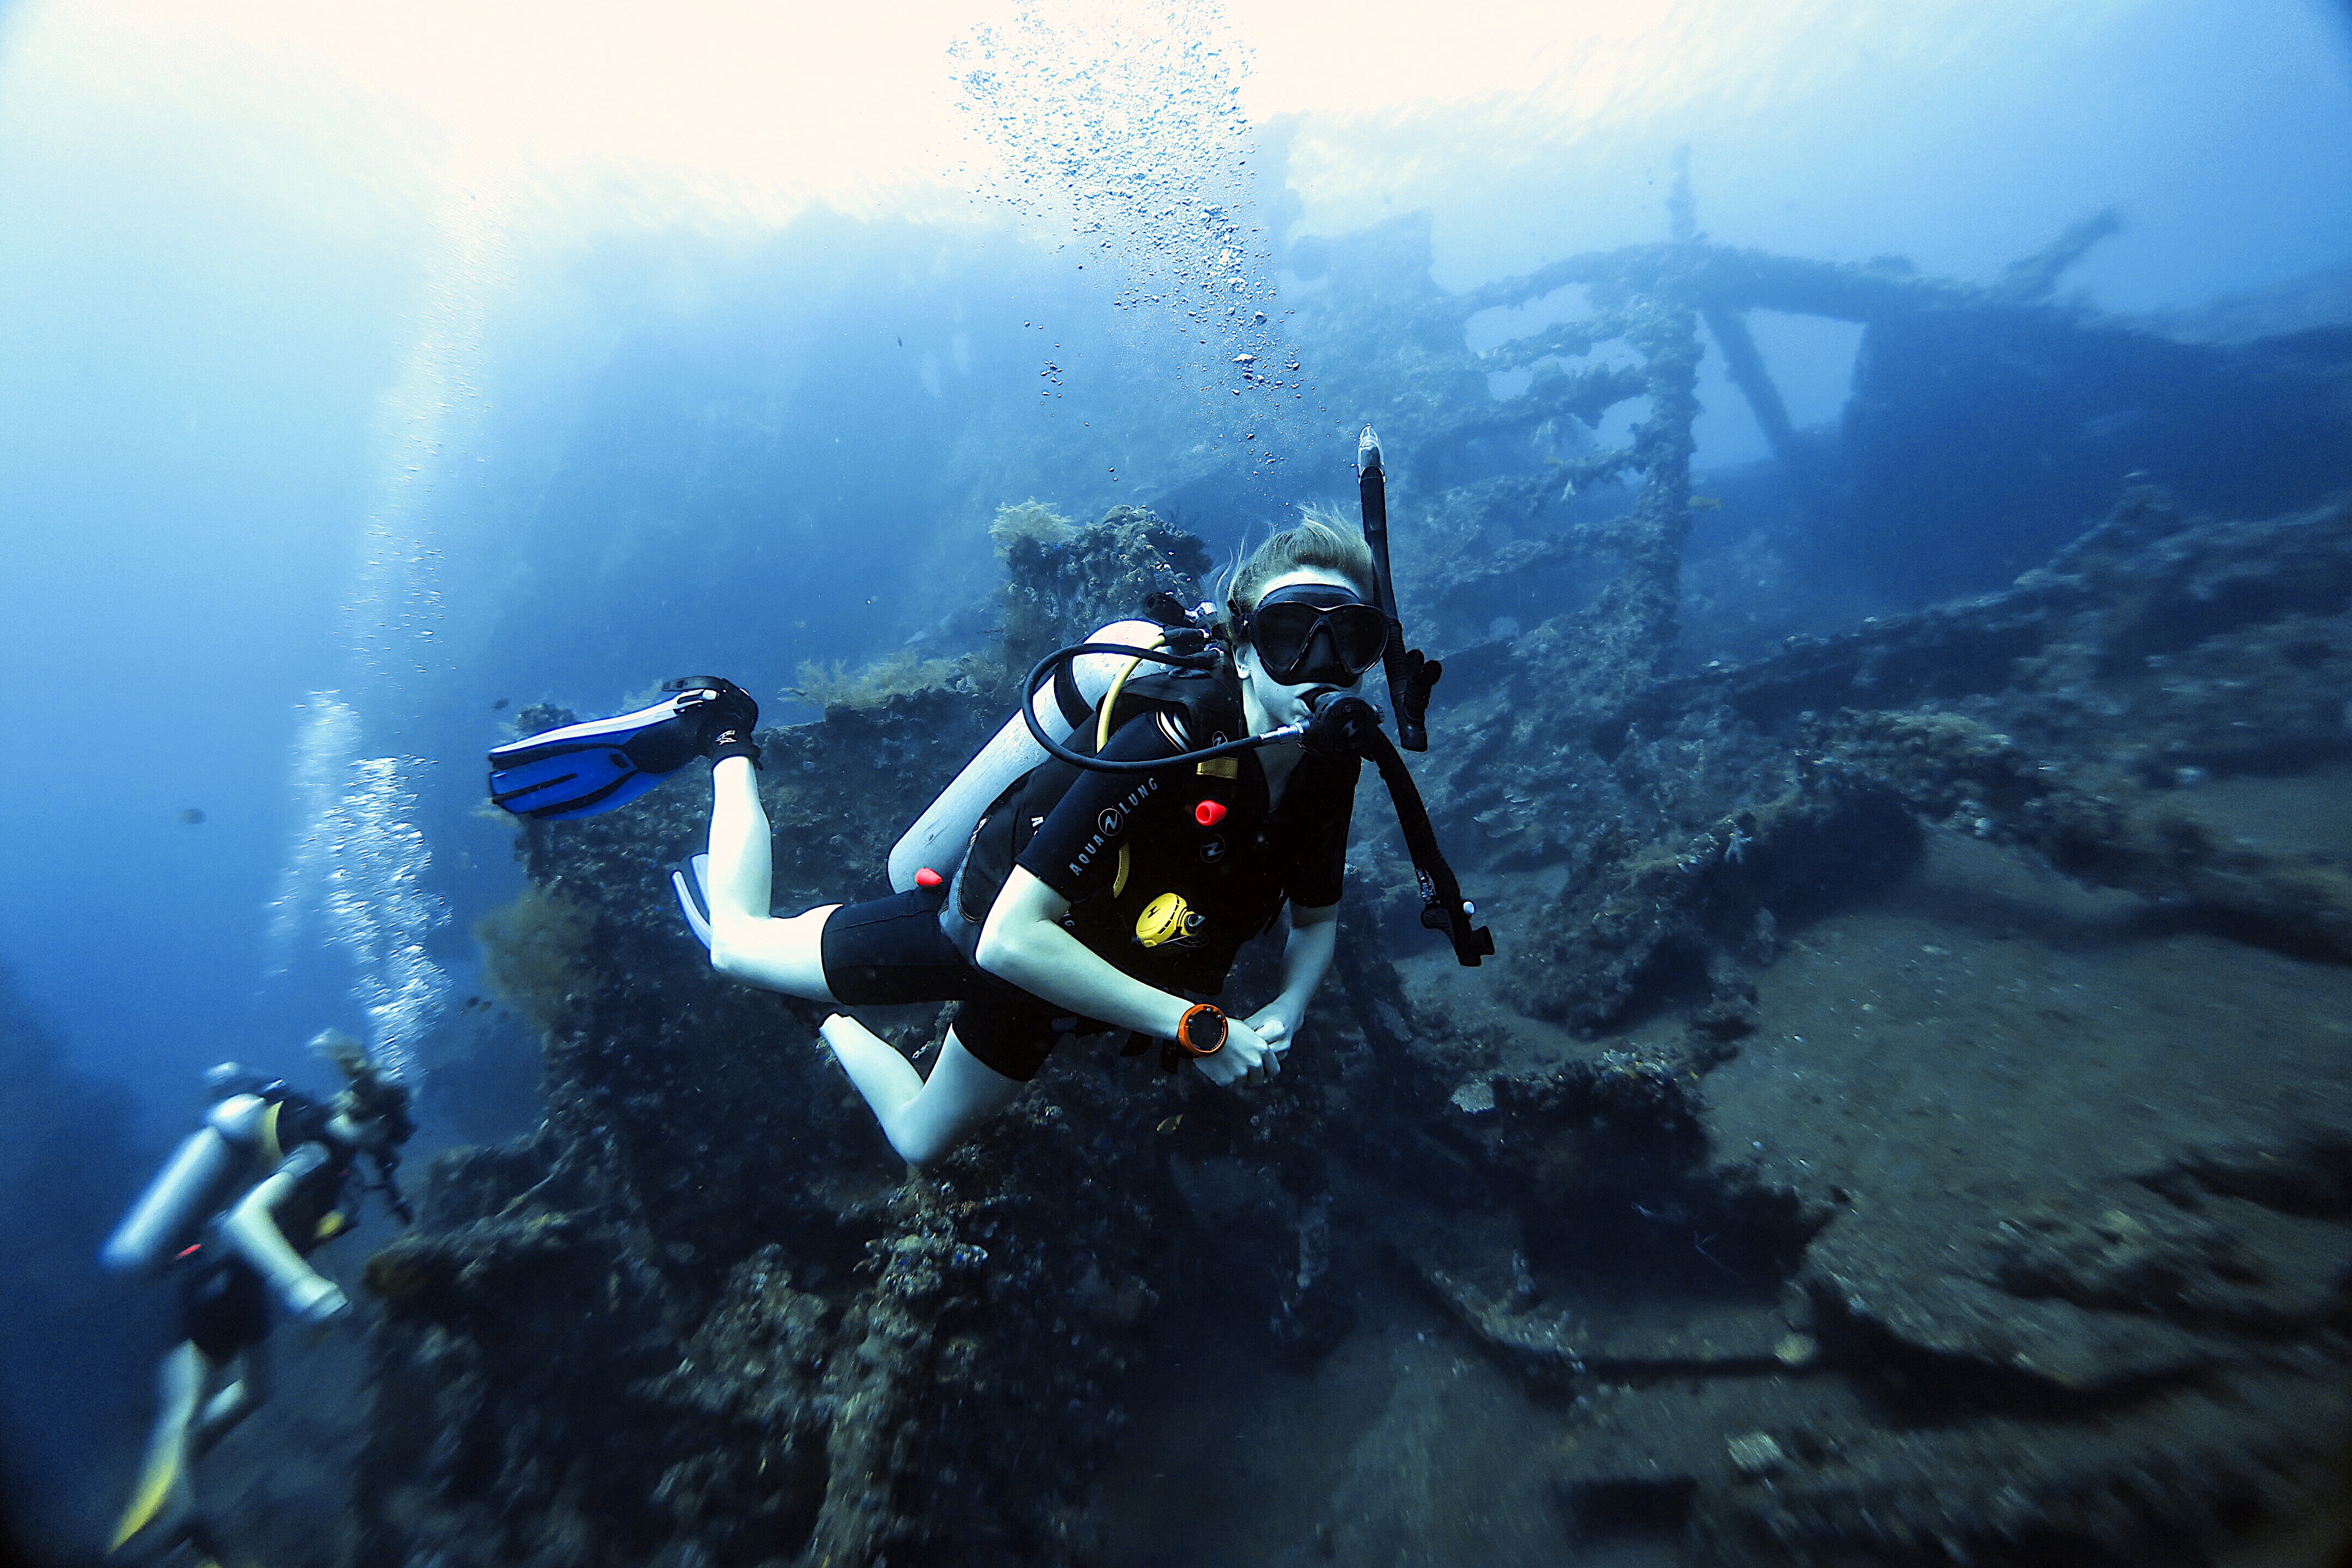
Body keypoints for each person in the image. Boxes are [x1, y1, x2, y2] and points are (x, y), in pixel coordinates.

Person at [504, 516, 1379, 1167]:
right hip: (985, 932)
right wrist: (1198, 1028)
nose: (1323, 669)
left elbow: (1314, 922)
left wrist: (1284, 1012)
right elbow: (1010, 935)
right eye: (1291, 633)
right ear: (1241, 640)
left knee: (920, 1140)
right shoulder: (1172, 740)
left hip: (1077, 981)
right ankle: (721, 731)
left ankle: (820, 1013)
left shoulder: (1329, 766)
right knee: (733, 946)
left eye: (1352, 641)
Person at [100, 1033, 414, 1559]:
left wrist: (325, 1284)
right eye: (392, 1141)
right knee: (184, 1411)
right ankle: (170, 1526)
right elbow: (248, 1218)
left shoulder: (326, 1151)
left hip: (238, 1280)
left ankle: (174, 1486)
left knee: (250, 1394)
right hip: (219, 1278)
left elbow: (307, 1231)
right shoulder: (319, 1153)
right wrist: (305, 1289)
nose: (388, 1158)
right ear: (380, 1126)